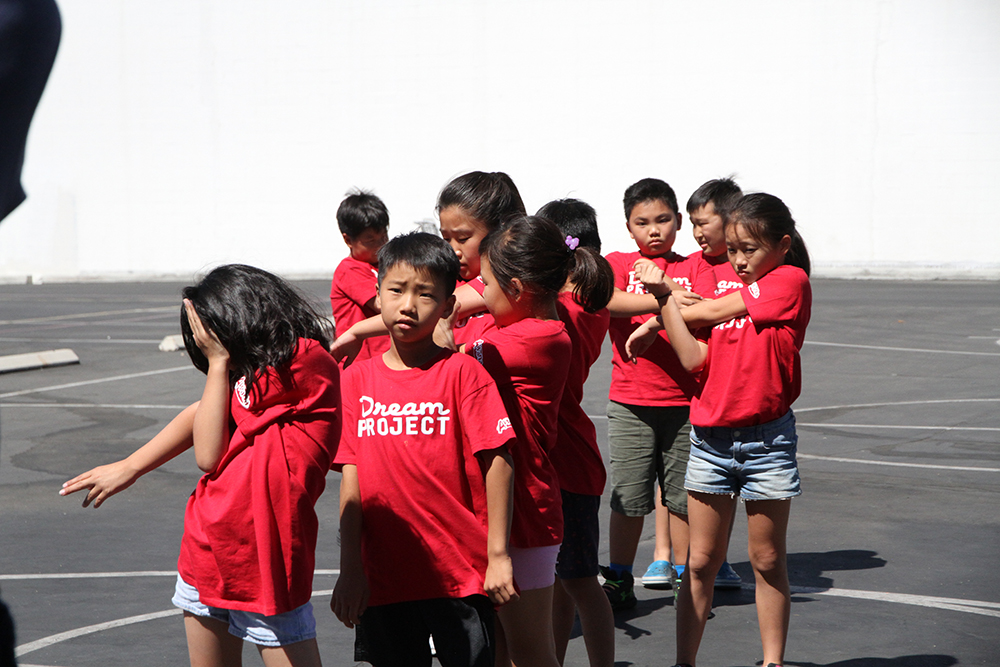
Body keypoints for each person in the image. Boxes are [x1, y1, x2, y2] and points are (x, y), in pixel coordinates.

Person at [61, 264, 340, 667]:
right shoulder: (240, 377)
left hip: (269, 562)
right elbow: (203, 427)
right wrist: (131, 466)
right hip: (208, 550)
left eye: (211, 335)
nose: (207, 346)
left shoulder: (305, 360)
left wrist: (219, 361)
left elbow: (206, 453)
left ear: (243, 316)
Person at [628, 193, 811, 667]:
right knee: (700, 562)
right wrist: (665, 300)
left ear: (782, 245)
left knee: (767, 559)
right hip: (711, 441)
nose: (739, 260)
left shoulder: (789, 281)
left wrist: (657, 317)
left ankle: (772, 662)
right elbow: (694, 357)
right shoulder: (731, 299)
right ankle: (684, 662)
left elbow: (707, 313)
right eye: (732, 250)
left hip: (767, 441)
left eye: (749, 249)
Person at [331, 232, 517, 667]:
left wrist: (498, 555)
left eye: (425, 294)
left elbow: (499, 463)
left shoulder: (464, 374)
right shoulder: (355, 381)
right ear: (377, 294)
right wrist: (350, 569)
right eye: (396, 290)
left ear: (449, 306)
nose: (408, 305)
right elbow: (351, 481)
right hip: (384, 579)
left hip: (459, 575)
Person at [600, 178, 713, 610]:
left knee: (684, 499)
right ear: (628, 226)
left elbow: (697, 307)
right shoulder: (617, 263)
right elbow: (608, 300)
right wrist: (663, 299)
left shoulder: (695, 265)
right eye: (642, 222)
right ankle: (620, 577)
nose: (654, 230)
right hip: (630, 403)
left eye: (663, 220)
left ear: (679, 222)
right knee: (628, 497)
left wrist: (656, 311)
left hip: (686, 404)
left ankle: (686, 576)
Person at [468, 216, 574, 667]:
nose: (479, 291)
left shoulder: (538, 338)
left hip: (526, 515)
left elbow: (450, 358)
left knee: (531, 654)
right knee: (500, 651)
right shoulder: (504, 328)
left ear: (515, 288)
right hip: (495, 511)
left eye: (486, 283)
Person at [535, 199, 615, 667]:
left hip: (568, 463)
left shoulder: (558, 312)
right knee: (563, 581)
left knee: (580, 581)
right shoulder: (593, 305)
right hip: (571, 457)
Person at [330, 171, 525, 364]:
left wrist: (358, 331)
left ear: (501, 232)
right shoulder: (446, 278)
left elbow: (431, 308)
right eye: (446, 238)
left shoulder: (505, 279)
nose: (453, 250)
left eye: (463, 238)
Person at [684, 177, 747, 590]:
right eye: (692, 223)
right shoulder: (694, 265)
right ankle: (697, 560)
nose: (697, 232)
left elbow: (701, 312)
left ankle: (718, 559)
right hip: (702, 396)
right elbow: (688, 311)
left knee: (735, 489)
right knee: (697, 489)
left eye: (703, 222)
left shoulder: (751, 269)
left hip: (742, 401)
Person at [329, 189, 390, 363]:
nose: (380, 245)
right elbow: (384, 305)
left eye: (384, 237)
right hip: (360, 362)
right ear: (348, 240)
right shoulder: (348, 270)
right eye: (370, 240)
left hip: (385, 357)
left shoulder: (384, 265)